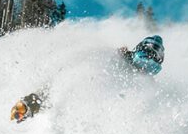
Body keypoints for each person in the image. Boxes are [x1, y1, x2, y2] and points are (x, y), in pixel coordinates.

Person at [10, 35, 165, 123]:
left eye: (155, 56)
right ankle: (32, 103)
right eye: (148, 52)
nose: (149, 58)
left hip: (105, 111)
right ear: (140, 48)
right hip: (88, 87)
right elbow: (78, 63)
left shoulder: (148, 84)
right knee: (69, 82)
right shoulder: (118, 56)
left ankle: (37, 105)